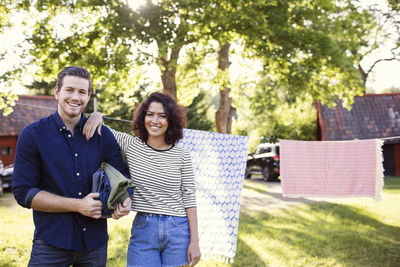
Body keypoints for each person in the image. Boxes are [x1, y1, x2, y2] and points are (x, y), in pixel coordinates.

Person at [12, 66, 132, 267]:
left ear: (88, 96)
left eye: (82, 92)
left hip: (94, 244)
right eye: (69, 90)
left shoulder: (103, 135)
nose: (75, 97)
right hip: (50, 243)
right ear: (57, 92)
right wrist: (78, 205)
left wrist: (125, 200)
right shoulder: (33, 135)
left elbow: (122, 177)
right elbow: (24, 193)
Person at [84, 92, 201, 267]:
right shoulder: (132, 145)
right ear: (143, 117)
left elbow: (189, 198)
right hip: (144, 229)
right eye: (150, 114)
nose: (155, 120)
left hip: (178, 230)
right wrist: (97, 114)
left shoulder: (182, 155)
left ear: (171, 121)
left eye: (162, 116)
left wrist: (195, 241)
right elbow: (103, 128)